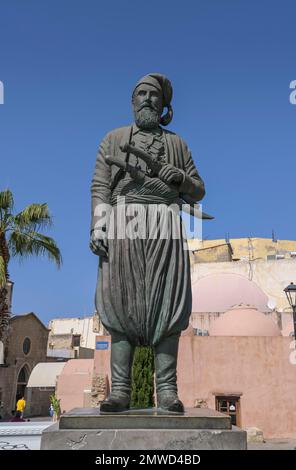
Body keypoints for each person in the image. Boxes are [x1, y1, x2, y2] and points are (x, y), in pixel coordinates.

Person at [90, 73, 205, 413]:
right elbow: (100, 187)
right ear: (132, 101)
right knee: (120, 304)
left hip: (166, 223)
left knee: (168, 306)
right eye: (141, 94)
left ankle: (167, 390)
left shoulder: (178, 144)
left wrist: (181, 178)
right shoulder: (113, 140)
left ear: (164, 104)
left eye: (154, 95)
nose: (147, 99)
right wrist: (99, 226)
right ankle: (120, 391)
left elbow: (198, 190)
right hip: (123, 224)